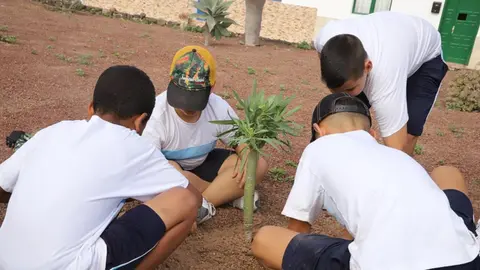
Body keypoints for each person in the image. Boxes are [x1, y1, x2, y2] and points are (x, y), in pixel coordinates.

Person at [0, 65, 202, 270]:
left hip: (5, 260)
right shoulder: (134, 146)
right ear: (140, 121)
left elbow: (2, 186)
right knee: (184, 201)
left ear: (91, 108)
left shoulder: (54, 131)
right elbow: (192, 198)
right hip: (67, 265)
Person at [251, 93, 480, 270]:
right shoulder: (395, 155)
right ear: (372, 135)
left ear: (319, 131)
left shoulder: (317, 149)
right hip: (466, 257)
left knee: (265, 239)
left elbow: (298, 230)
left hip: (382, 264)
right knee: (446, 172)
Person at [142, 45, 268, 225]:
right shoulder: (157, 114)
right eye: (183, 97)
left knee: (257, 164)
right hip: (172, 172)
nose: (188, 107)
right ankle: (227, 195)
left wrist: (247, 155)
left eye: (196, 99)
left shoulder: (218, 107)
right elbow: (148, 168)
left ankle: (200, 207)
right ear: (171, 81)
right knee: (173, 174)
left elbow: (243, 145)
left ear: (212, 87)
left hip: (204, 164)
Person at [313, 11, 449, 156]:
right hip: (393, 41)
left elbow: (397, 149)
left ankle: (400, 178)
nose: (343, 95)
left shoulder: (384, 77)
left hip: (425, 58)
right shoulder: (325, 39)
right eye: (334, 90)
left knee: (409, 132)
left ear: (368, 67)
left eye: (350, 88)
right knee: (346, 114)